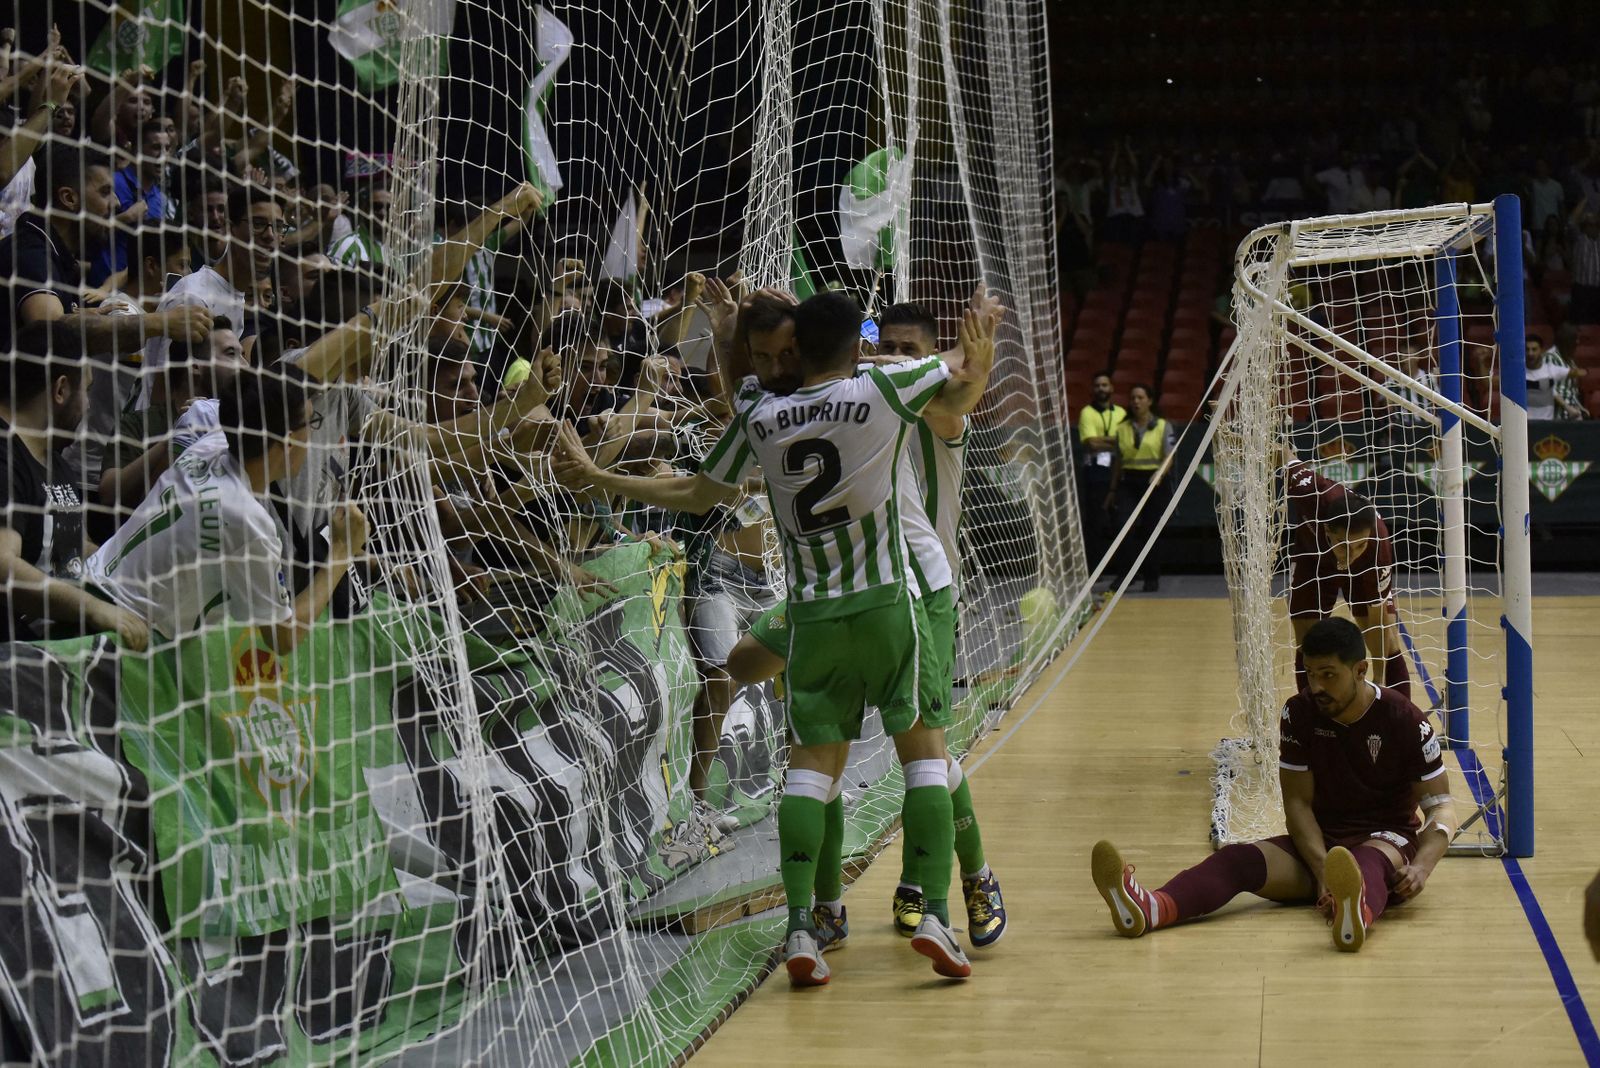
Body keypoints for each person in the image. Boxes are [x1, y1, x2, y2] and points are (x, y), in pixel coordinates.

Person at [552, 291, 997, 987]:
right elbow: (965, 373)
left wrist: (604, 477)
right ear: (856, 347)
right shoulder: (878, 386)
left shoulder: (760, 413)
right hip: (890, 600)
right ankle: (934, 908)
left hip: (815, 613)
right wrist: (980, 341)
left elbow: (703, 491)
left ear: (797, 349)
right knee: (926, 755)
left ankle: (806, 924)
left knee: (811, 768)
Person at [721, 298, 1009, 953]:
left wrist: (963, 355)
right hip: (846, 585)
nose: (899, 355)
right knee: (746, 666)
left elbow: (959, 392)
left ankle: (965, 877)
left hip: (920, 590)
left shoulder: (930, 405)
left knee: (922, 752)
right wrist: (747, 342)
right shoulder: (864, 395)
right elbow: (783, 398)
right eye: (890, 343)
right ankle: (829, 905)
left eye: (913, 348)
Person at [1092, 618, 1455, 953]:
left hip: (1386, 839)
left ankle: (1353, 915)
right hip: (1321, 842)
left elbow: (1441, 808)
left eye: (1329, 675)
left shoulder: (1404, 719)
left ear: (1360, 670)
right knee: (1237, 860)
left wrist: (1421, 867)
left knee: (1365, 864)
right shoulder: (1298, 713)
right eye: (1311, 674)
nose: (1316, 687)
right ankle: (1150, 908)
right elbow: (1297, 804)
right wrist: (1322, 871)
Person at [86, 364, 367, 652]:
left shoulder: (210, 443)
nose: (313, 434)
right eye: (312, 422)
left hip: (93, 585)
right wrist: (342, 551)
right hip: (116, 633)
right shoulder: (249, 522)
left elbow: (232, 405)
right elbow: (283, 638)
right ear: (288, 443)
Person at [0, 325, 146, 648]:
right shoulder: (4, 452)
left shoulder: (58, 466)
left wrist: (136, 565)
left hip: (51, 650)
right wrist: (94, 609)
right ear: (61, 390)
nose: (89, 406)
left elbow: (74, 556)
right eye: (88, 391)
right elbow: (3, 568)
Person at [0, 143, 208, 354]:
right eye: (105, 192)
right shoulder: (30, 251)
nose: (116, 203)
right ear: (69, 198)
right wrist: (160, 322)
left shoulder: (55, 255)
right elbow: (48, 330)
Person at [1283, 448, 1409, 699]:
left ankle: (1400, 715)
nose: (1351, 553)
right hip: (1313, 558)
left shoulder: (1376, 546)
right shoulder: (1309, 492)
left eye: (1359, 545)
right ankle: (1311, 718)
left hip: (1365, 570)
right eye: (1345, 545)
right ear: (1328, 531)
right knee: (1307, 639)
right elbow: (1285, 456)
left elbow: (1377, 617)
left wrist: (1378, 680)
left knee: (1387, 636)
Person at [141, 180, 280, 400]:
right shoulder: (194, 296)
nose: (270, 235)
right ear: (229, 227)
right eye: (258, 223)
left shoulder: (234, 295)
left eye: (278, 227)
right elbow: (163, 389)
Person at [1104, 384, 1172, 592]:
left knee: (1151, 530)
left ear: (1149, 401)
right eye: (1133, 398)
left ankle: (1152, 576)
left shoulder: (1162, 426)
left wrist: (1159, 474)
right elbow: (1118, 462)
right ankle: (1125, 575)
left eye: (1140, 397)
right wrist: (1112, 490)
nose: (1136, 402)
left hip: (1154, 483)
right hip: (1128, 482)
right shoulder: (1122, 428)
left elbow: (1169, 456)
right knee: (1124, 526)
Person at [1077, 371, 1124, 573]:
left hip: (1119, 469)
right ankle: (1094, 569)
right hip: (1095, 472)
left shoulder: (1121, 413)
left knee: (1119, 519)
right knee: (1095, 521)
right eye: (1097, 385)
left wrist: (1105, 441)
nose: (1101, 389)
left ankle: (1121, 568)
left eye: (1105, 385)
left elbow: (1125, 443)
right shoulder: (1087, 412)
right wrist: (1114, 441)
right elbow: (1091, 444)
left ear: (1111, 388)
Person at [1526, 332, 1587, 420]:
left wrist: (1569, 408)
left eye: (1534, 349)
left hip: (1547, 424)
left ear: (1541, 350)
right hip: (1525, 425)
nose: (1530, 353)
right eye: (1527, 349)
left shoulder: (1551, 370)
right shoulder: (1517, 374)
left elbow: (1552, 390)